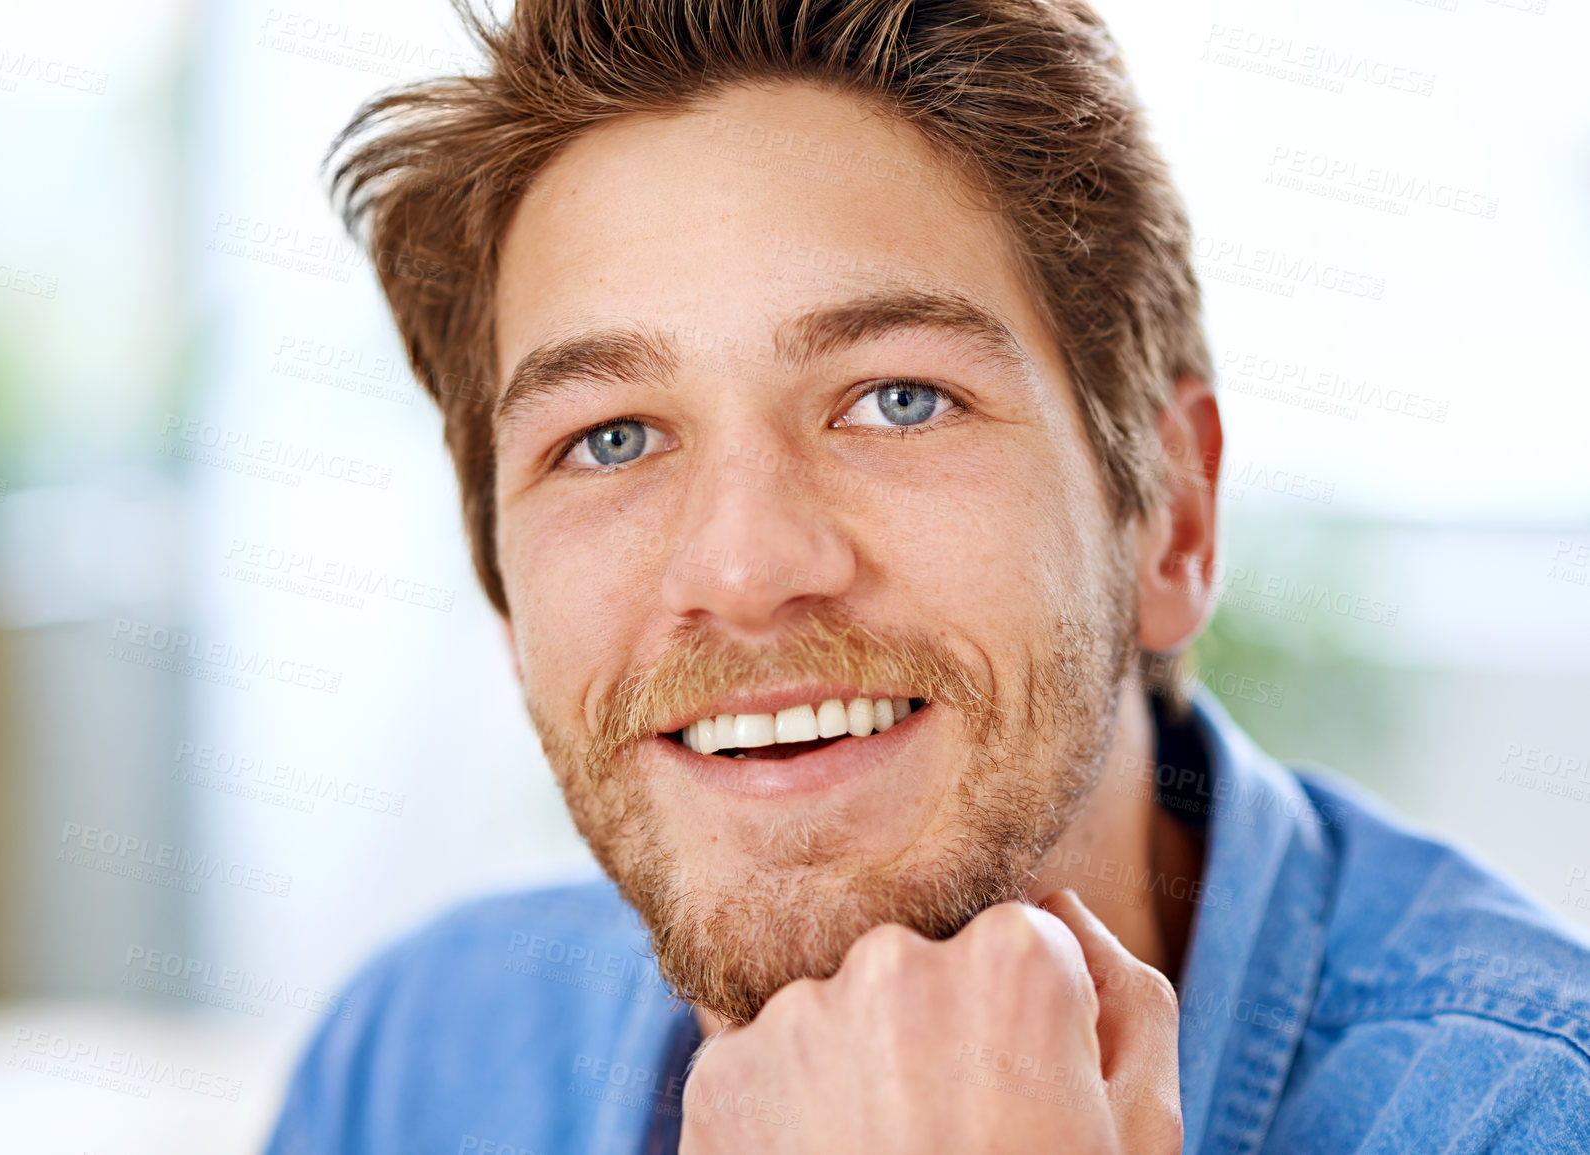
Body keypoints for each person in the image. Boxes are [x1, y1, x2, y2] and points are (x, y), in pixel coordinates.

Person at [266, 1, 1590, 1150]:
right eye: (607, 439)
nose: (743, 567)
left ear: (1171, 518)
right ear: (504, 589)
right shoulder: (415, 1067)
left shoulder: (1527, 1114)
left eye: (899, 399)